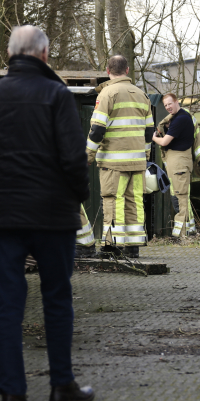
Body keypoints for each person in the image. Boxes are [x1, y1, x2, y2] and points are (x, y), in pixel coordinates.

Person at [0, 25, 94, 401]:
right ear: (45, 55)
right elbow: (73, 159)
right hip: (52, 216)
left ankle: (12, 397)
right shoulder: (57, 96)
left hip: (2, 218)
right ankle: (61, 386)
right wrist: (77, 196)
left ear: (9, 54)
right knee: (57, 299)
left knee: (7, 304)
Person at [85, 55, 154, 258]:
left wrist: (88, 155)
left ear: (108, 70)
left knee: (113, 200)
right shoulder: (142, 95)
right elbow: (149, 132)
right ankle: (132, 247)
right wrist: (145, 154)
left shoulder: (107, 93)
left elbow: (97, 130)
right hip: (138, 161)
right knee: (134, 200)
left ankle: (111, 247)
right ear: (127, 70)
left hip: (114, 162)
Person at [153, 93, 200, 237]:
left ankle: (181, 234)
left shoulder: (180, 119)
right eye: (165, 105)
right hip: (178, 161)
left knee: (180, 198)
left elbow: (164, 142)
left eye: (170, 104)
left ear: (177, 102)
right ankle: (189, 230)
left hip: (179, 161)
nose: (168, 107)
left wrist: (154, 138)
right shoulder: (180, 117)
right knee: (180, 197)